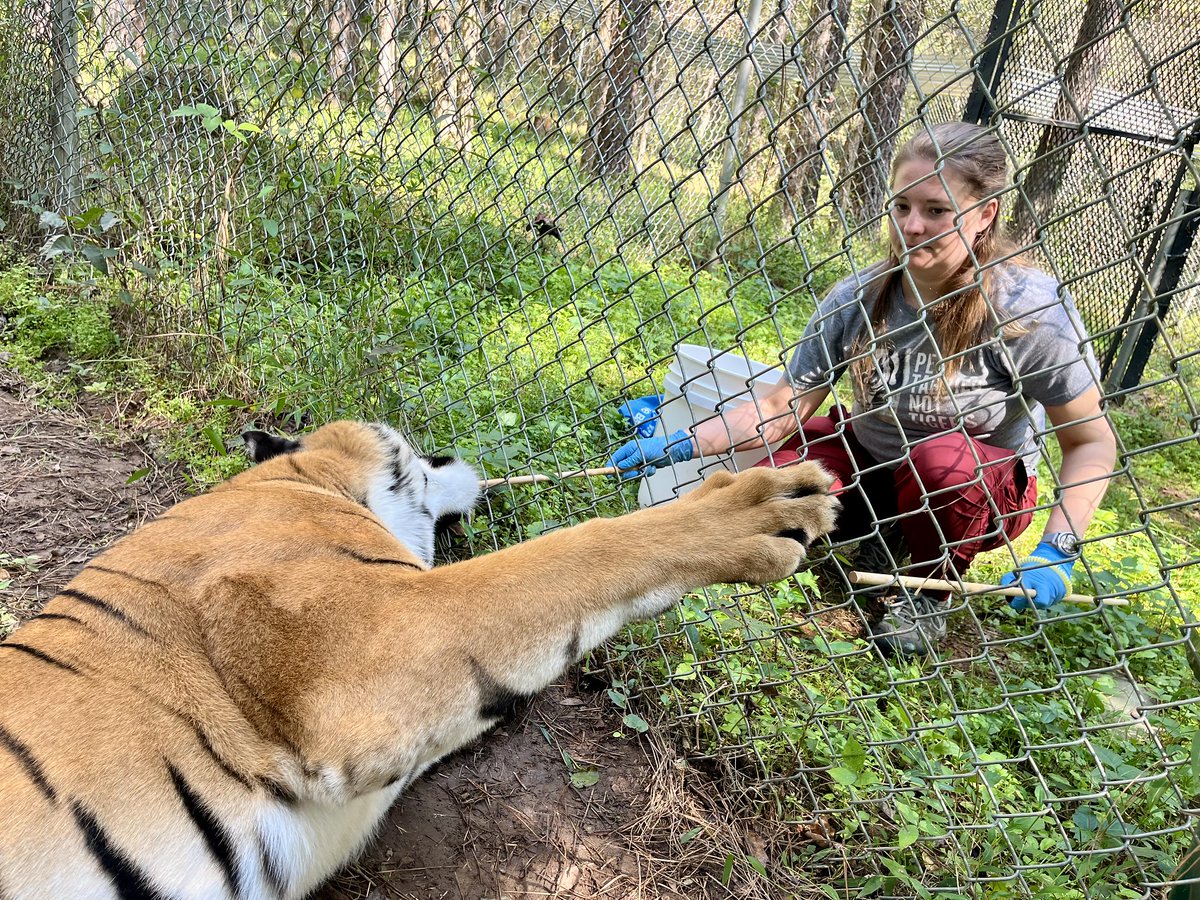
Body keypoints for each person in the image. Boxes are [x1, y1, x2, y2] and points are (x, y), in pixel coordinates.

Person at [609, 122, 1118, 657]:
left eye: (936, 210)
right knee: (772, 479)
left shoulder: (1027, 310)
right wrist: (683, 441)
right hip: (872, 461)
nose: (912, 226)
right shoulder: (858, 295)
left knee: (942, 463)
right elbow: (783, 405)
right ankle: (881, 526)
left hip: (973, 487)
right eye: (901, 207)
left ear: (984, 213)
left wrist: (1058, 548)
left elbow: (1091, 442)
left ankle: (927, 589)